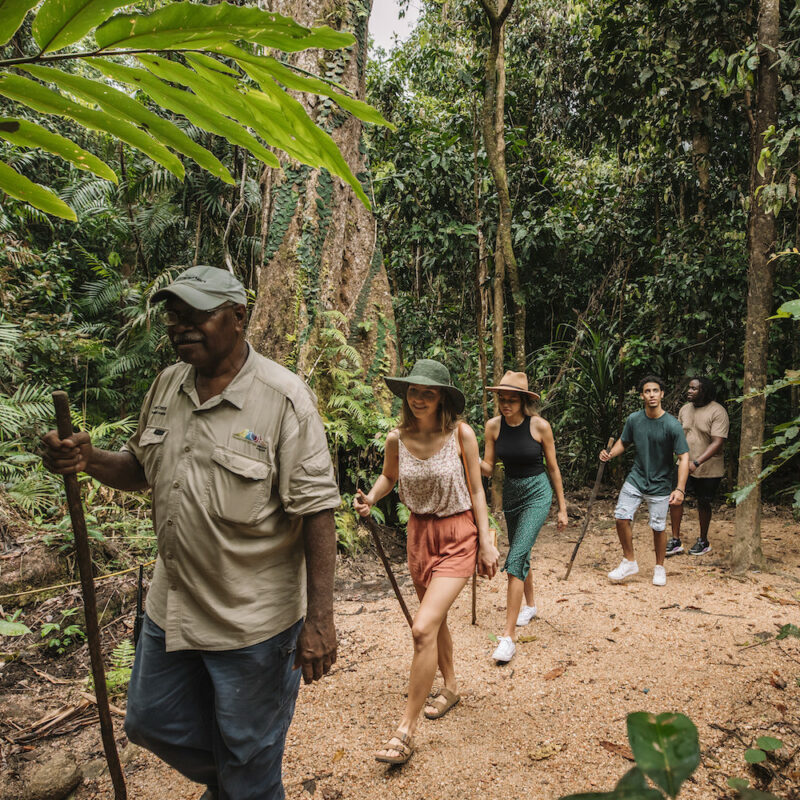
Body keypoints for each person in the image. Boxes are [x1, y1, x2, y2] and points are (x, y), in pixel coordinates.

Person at [41, 266, 340, 800]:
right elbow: (140, 468)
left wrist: (320, 619)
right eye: (174, 316)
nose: (182, 326)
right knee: (149, 723)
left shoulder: (283, 399)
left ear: (239, 317)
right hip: (171, 609)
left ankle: (245, 782)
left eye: (197, 314)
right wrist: (88, 459)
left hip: (253, 624)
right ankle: (240, 782)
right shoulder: (167, 385)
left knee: (250, 756)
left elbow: (318, 511)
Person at [354, 359, 498, 765]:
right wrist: (372, 499)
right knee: (435, 623)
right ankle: (450, 686)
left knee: (421, 628)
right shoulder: (396, 438)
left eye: (428, 393)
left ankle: (405, 731)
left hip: (458, 534)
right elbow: (389, 476)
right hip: (418, 536)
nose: (419, 399)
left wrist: (486, 541)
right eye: (414, 392)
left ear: (442, 398)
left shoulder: (461, 435)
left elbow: (477, 490)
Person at [479, 371, 568, 663]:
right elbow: (488, 468)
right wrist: (465, 455)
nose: (506, 405)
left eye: (512, 400)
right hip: (512, 494)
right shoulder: (493, 427)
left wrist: (562, 508)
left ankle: (508, 637)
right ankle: (529, 605)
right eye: (502, 400)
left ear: (523, 401)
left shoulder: (540, 426)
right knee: (522, 549)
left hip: (538, 493)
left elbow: (553, 468)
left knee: (516, 557)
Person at [600, 375, 689, 587]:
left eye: (655, 391)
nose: (652, 395)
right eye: (647, 391)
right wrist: (610, 454)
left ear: (662, 394)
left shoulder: (672, 425)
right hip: (636, 478)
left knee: (658, 527)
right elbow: (624, 441)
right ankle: (629, 561)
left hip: (660, 483)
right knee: (621, 517)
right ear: (642, 395)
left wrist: (680, 489)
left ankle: (659, 567)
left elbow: (684, 457)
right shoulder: (634, 420)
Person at [666, 377, 729, 557]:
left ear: (704, 392)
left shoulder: (718, 411)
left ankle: (703, 540)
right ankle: (676, 540)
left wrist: (697, 462)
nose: (689, 391)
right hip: (684, 463)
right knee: (676, 499)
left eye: (694, 389)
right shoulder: (685, 409)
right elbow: (679, 434)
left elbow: (718, 442)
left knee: (704, 502)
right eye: (689, 388)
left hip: (709, 467)